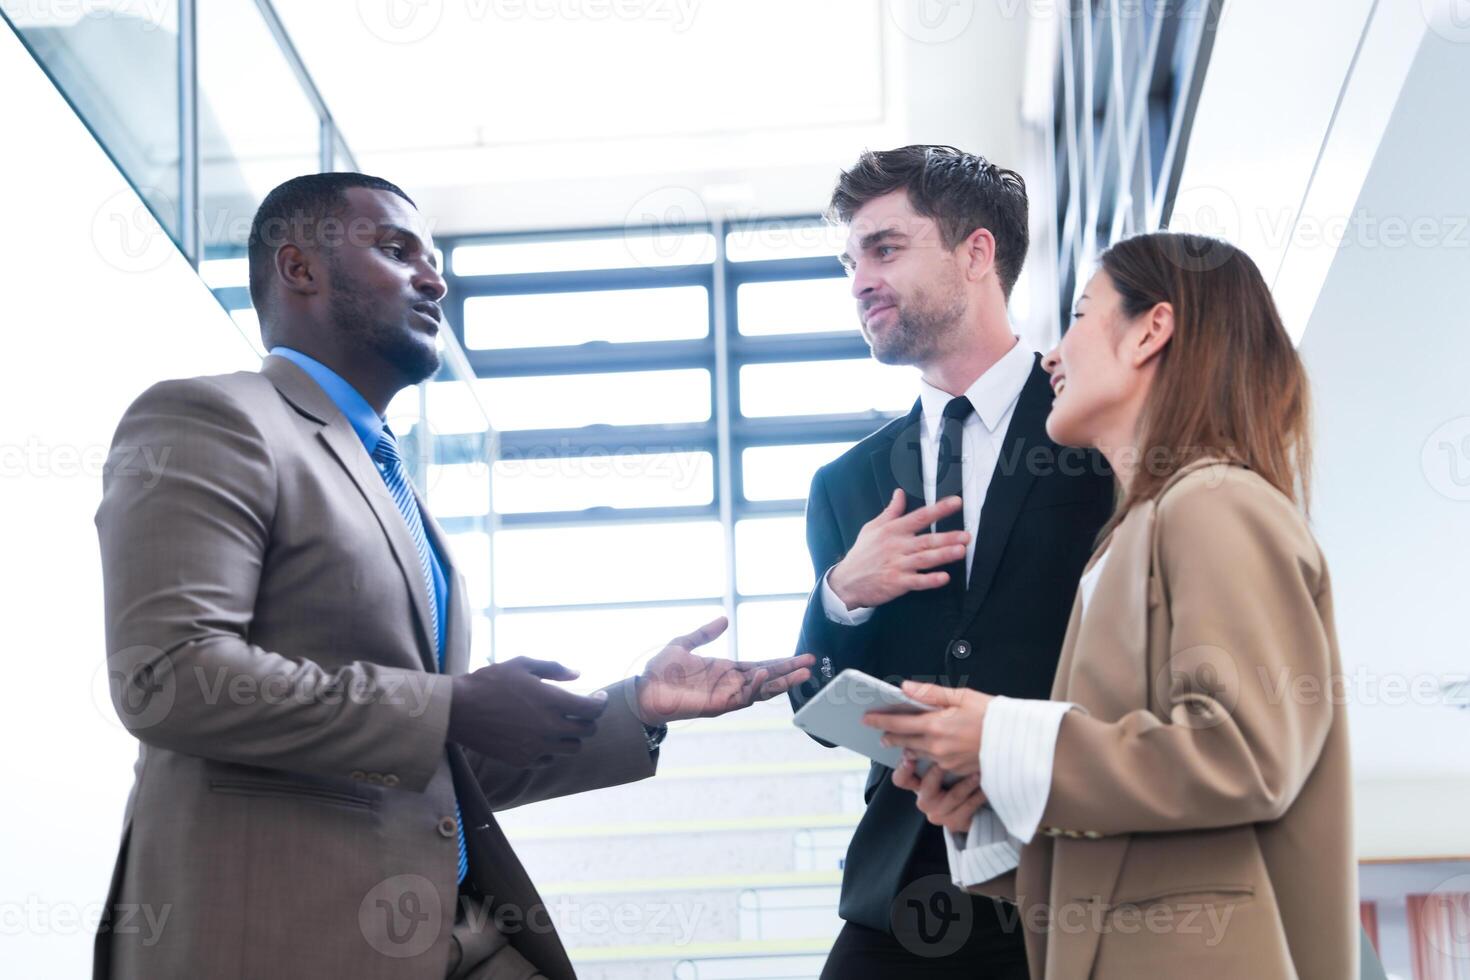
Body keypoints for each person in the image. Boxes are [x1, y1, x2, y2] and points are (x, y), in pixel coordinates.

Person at [93, 172, 813, 979]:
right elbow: (171, 678)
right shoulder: (213, 419)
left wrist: (635, 705)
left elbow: (426, 757)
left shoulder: (389, 478)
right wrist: (451, 707)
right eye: (397, 251)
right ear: (298, 269)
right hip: (285, 941)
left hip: (453, 932)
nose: (435, 279)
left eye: (433, 258)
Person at [868, 231, 1356, 978]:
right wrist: (989, 805)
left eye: (1080, 316)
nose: (1053, 357)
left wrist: (1003, 735)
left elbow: (1246, 756)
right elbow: (1146, 843)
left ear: (1151, 331)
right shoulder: (1134, 536)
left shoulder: (1214, 502)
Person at [787, 145, 1113, 979]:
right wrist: (842, 594)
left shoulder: (1099, 429)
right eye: (849, 260)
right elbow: (819, 700)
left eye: (885, 249)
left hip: (1071, 872)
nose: (859, 279)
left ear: (976, 254)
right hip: (903, 890)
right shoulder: (845, 484)